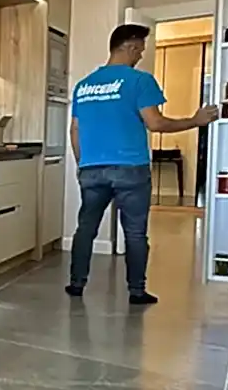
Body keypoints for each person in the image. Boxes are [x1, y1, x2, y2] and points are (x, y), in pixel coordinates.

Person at [66, 23, 218, 305]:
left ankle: (76, 284)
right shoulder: (140, 80)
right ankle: (136, 291)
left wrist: (82, 163)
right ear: (130, 46)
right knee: (135, 232)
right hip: (130, 168)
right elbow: (155, 123)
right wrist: (195, 121)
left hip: (91, 168)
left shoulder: (83, 85)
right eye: (139, 50)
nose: (140, 56)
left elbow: (75, 129)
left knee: (85, 228)